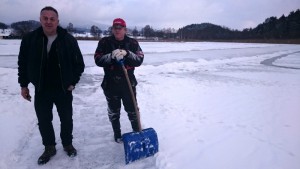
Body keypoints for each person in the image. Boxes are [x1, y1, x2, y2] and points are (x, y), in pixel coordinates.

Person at [18, 6, 85, 165]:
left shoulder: (68, 40)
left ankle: (67, 144)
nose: (48, 21)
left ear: (57, 21)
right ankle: (49, 147)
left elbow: (79, 65)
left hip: (63, 89)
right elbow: (23, 63)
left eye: (52, 18)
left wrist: (72, 83)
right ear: (40, 19)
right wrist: (24, 85)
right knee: (44, 119)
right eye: (45, 18)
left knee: (66, 119)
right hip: (42, 89)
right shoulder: (30, 39)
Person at [94, 18, 144, 143]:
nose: (117, 30)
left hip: (128, 83)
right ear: (112, 29)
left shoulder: (132, 43)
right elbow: (98, 60)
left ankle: (137, 133)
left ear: (125, 29)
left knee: (133, 110)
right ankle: (117, 135)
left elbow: (139, 60)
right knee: (113, 112)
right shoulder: (104, 42)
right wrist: (111, 56)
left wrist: (127, 53)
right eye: (115, 28)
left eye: (120, 28)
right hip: (111, 83)